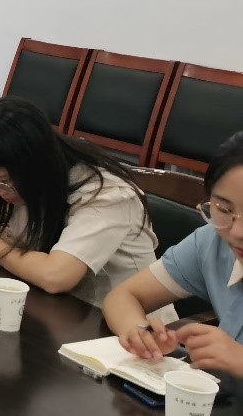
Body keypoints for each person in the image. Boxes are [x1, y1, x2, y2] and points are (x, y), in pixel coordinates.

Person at [0, 96, 157, 307]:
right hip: (48, 308)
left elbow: (56, 276)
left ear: (36, 162)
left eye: (2, 182)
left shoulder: (107, 193)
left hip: (121, 325)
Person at [103, 132, 243, 375]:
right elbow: (123, 296)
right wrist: (139, 334)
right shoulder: (211, 242)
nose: (237, 232)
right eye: (223, 209)